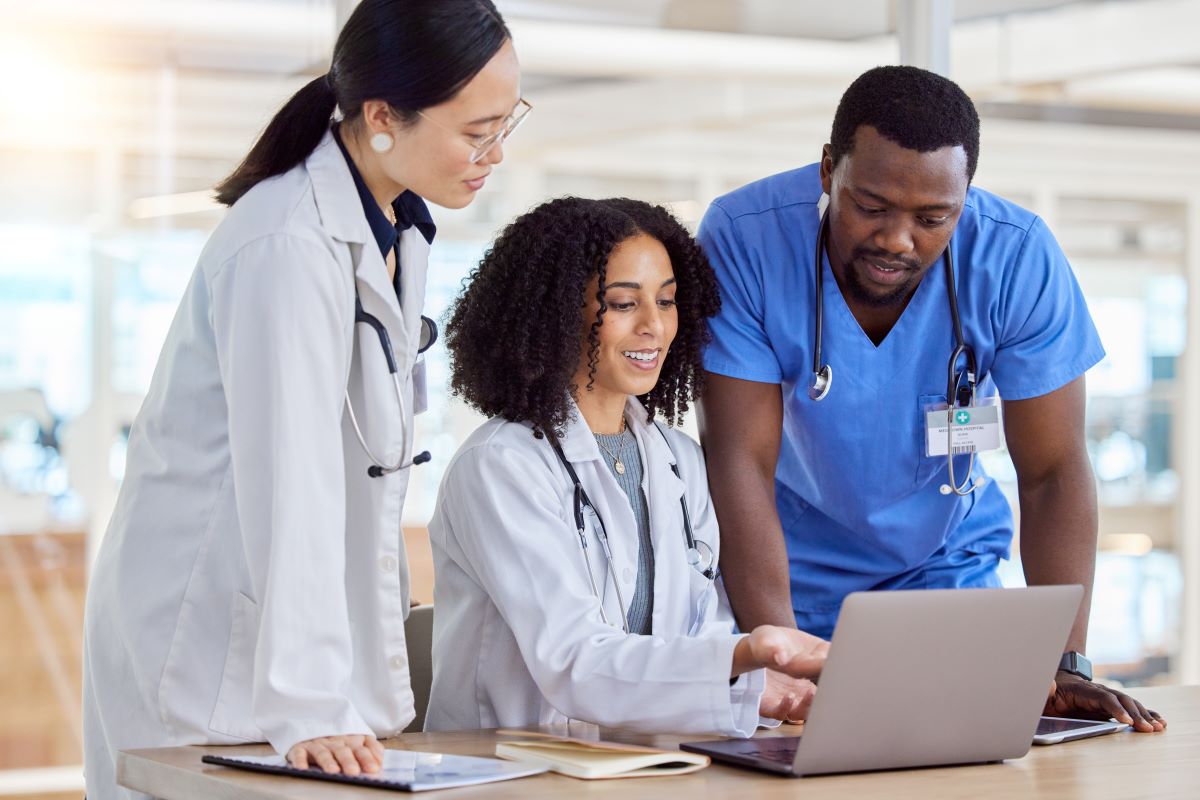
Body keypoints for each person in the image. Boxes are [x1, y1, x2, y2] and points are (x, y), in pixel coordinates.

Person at [82, 2, 527, 796]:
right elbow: (294, 479)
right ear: (384, 116)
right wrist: (312, 704)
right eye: (475, 132)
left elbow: (367, 466)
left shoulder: (396, 226)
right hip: (208, 647)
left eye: (505, 124)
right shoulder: (286, 242)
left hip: (284, 662)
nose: (493, 154)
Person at [696, 65, 1165, 732]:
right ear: (830, 169)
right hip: (784, 582)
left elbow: (1054, 472)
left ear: (966, 197)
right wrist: (787, 656)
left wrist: (1063, 663)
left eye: (932, 218)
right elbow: (738, 459)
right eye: (871, 206)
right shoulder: (747, 239)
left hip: (946, 580)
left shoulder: (1015, 258)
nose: (897, 239)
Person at [423, 197, 829, 735]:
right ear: (557, 312)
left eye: (666, 301)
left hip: (641, 767)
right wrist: (743, 654)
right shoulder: (501, 465)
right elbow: (574, 662)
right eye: (622, 303)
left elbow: (699, 635)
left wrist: (756, 688)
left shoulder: (678, 460)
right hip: (508, 770)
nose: (654, 327)